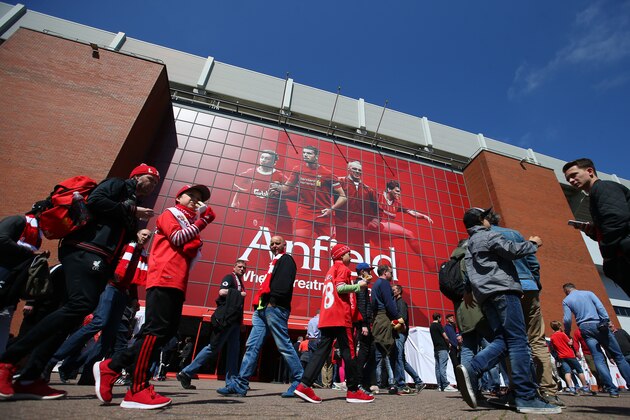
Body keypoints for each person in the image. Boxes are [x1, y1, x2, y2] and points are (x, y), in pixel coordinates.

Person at [0, 164, 159, 401]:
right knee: (80, 304)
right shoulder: (118, 185)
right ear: (136, 176)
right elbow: (96, 201)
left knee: (73, 313)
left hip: (99, 258)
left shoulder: (129, 201)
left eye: (156, 182)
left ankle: (31, 377)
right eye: (150, 179)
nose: (152, 185)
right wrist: (133, 210)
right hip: (85, 250)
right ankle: (8, 362)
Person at [94, 183, 215, 409]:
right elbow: (179, 239)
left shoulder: (188, 221)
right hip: (164, 276)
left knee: (164, 333)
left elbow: (191, 244)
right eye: (191, 195)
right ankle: (137, 388)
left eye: (199, 198)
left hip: (177, 280)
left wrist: (197, 227)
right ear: (179, 197)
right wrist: (203, 221)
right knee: (156, 331)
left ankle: (111, 367)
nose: (195, 200)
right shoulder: (171, 213)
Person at [455, 207, 560, 414]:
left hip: (485, 296)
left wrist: (469, 290)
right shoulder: (488, 235)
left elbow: (469, 273)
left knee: (504, 340)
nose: (489, 220)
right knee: (519, 341)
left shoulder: (469, 245)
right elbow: (511, 250)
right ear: (481, 220)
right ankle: (526, 396)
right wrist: (533, 244)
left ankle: (472, 369)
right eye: (485, 217)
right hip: (504, 291)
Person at [44, 228, 152, 385]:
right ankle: (52, 361)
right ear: (136, 235)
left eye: (148, 237)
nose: (145, 237)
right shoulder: (125, 247)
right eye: (143, 234)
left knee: (109, 336)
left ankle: (87, 374)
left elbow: (133, 277)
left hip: (122, 292)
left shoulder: (141, 255)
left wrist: (134, 299)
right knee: (99, 322)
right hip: (109, 286)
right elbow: (109, 263)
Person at [486, 211, 563, 406]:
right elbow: (532, 262)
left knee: (512, 340)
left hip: (508, 290)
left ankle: (517, 390)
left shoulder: (485, 237)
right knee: (536, 339)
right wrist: (534, 283)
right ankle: (549, 391)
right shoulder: (515, 234)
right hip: (529, 287)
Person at [216, 235, 303, 398]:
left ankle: (300, 381)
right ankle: (241, 385)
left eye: (277, 243)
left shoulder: (286, 260)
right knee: (252, 346)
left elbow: (284, 284)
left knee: (284, 345)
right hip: (262, 310)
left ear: (284, 245)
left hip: (274, 308)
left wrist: (273, 302)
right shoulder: (274, 262)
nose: (274, 246)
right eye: (272, 244)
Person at [294, 244, 374, 403]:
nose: (350, 258)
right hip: (339, 316)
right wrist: (360, 285)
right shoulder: (343, 269)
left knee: (321, 352)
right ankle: (353, 390)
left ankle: (304, 385)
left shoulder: (330, 271)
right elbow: (341, 288)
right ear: (341, 255)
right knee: (349, 352)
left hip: (327, 316)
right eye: (348, 254)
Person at [563, 158, 630, 296]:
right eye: (568, 178)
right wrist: (592, 232)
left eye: (574, 175)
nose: (570, 180)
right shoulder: (595, 194)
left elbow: (616, 220)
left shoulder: (603, 187)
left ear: (589, 171)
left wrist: (608, 255)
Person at [177, 260, 247, 390]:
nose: (242, 269)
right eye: (240, 267)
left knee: (234, 351)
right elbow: (222, 292)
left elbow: (239, 306)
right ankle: (186, 372)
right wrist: (238, 294)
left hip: (235, 322)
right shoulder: (229, 278)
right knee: (213, 347)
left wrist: (241, 322)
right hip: (226, 320)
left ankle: (232, 382)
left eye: (244, 268)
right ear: (234, 267)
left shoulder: (240, 283)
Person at [562, 282, 630, 397]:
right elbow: (600, 307)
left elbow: (567, 319)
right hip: (598, 324)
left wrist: (567, 332)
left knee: (598, 358)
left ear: (566, 291)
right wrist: (606, 320)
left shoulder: (567, 300)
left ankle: (611, 389)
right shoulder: (589, 293)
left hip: (584, 328)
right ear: (574, 288)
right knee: (618, 356)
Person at [0, 200, 50, 354]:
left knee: (3, 327)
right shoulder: (18, 221)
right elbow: (1, 239)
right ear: (41, 212)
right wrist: (29, 254)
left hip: (9, 295)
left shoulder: (36, 237)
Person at [272, 146, 346, 240]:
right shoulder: (298, 169)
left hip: (323, 215)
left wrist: (331, 209)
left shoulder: (327, 174)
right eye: (304, 153)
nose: (305, 155)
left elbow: (343, 196)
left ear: (316, 156)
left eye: (309, 153)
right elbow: (287, 188)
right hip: (304, 213)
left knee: (327, 247)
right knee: (298, 242)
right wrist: (277, 187)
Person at [231, 150, 292, 236]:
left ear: (274, 162)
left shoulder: (279, 176)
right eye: (262, 157)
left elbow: (291, 190)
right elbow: (240, 187)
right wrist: (235, 201)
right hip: (257, 212)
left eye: (267, 158)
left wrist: (280, 189)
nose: (263, 160)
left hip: (274, 213)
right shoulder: (251, 172)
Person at [371, 264, 404, 394]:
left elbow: (374, 304)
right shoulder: (384, 284)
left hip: (378, 319)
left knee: (378, 351)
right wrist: (398, 318)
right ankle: (397, 384)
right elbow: (389, 303)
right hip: (384, 318)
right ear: (385, 272)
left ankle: (368, 382)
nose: (392, 274)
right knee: (391, 351)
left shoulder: (375, 285)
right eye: (391, 272)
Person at [378, 180, 433, 256]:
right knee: (409, 234)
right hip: (376, 226)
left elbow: (411, 212)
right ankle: (429, 262)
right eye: (397, 191)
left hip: (385, 233)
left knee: (396, 259)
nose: (399, 193)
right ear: (389, 189)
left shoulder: (397, 203)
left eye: (399, 191)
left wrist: (424, 216)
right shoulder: (378, 196)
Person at [334, 161, 380, 249]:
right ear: (348, 170)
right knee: (341, 252)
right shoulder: (339, 182)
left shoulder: (368, 190)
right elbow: (326, 198)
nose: (357, 171)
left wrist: (375, 221)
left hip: (362, 230)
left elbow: (377, 210)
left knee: (360, 255)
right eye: (354, 169)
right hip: (342, 227)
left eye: (359, 170)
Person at [392, 284, 425, 393]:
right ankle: (418, 381)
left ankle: (401, 384)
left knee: (399, 358)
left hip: (400, 333)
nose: (392, 291)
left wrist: (394, 323)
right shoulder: (396, 302)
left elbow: (402, 317)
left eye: (394, 290)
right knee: (402, 359)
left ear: (399, 291)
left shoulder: (401, 303)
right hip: (399, 333)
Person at [548, 320, 589, 395]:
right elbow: (569, 343)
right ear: (559, 326)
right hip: (570, 355)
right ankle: (585, 386)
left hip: (561, 357)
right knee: (579, 370)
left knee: (567, 372)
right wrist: (571, 341)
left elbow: (552, 347)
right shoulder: (562, 334)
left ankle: (571, 388)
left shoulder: (552, 337)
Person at [353, 262, 375, 393]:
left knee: (369, 351)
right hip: (362, 324)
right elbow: (361, 304)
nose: (370, 273)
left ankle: (362, 381)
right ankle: (359, 382)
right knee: (364, 352)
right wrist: (365, 324)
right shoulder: (360, 284)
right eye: (368, 270)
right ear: (362, 272)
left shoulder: (361, 283)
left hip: (363, 323)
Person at [430, 313, 456, 392]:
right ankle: (445, 385)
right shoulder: (439, 325)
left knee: (437, 367)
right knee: (442, 367)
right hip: (442, 348)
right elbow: (445, 336)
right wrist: (449, 343)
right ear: (438, 318)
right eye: (440, 318)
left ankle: (440, 385)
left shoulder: (431, 327)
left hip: (436, 349)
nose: (441, 320)